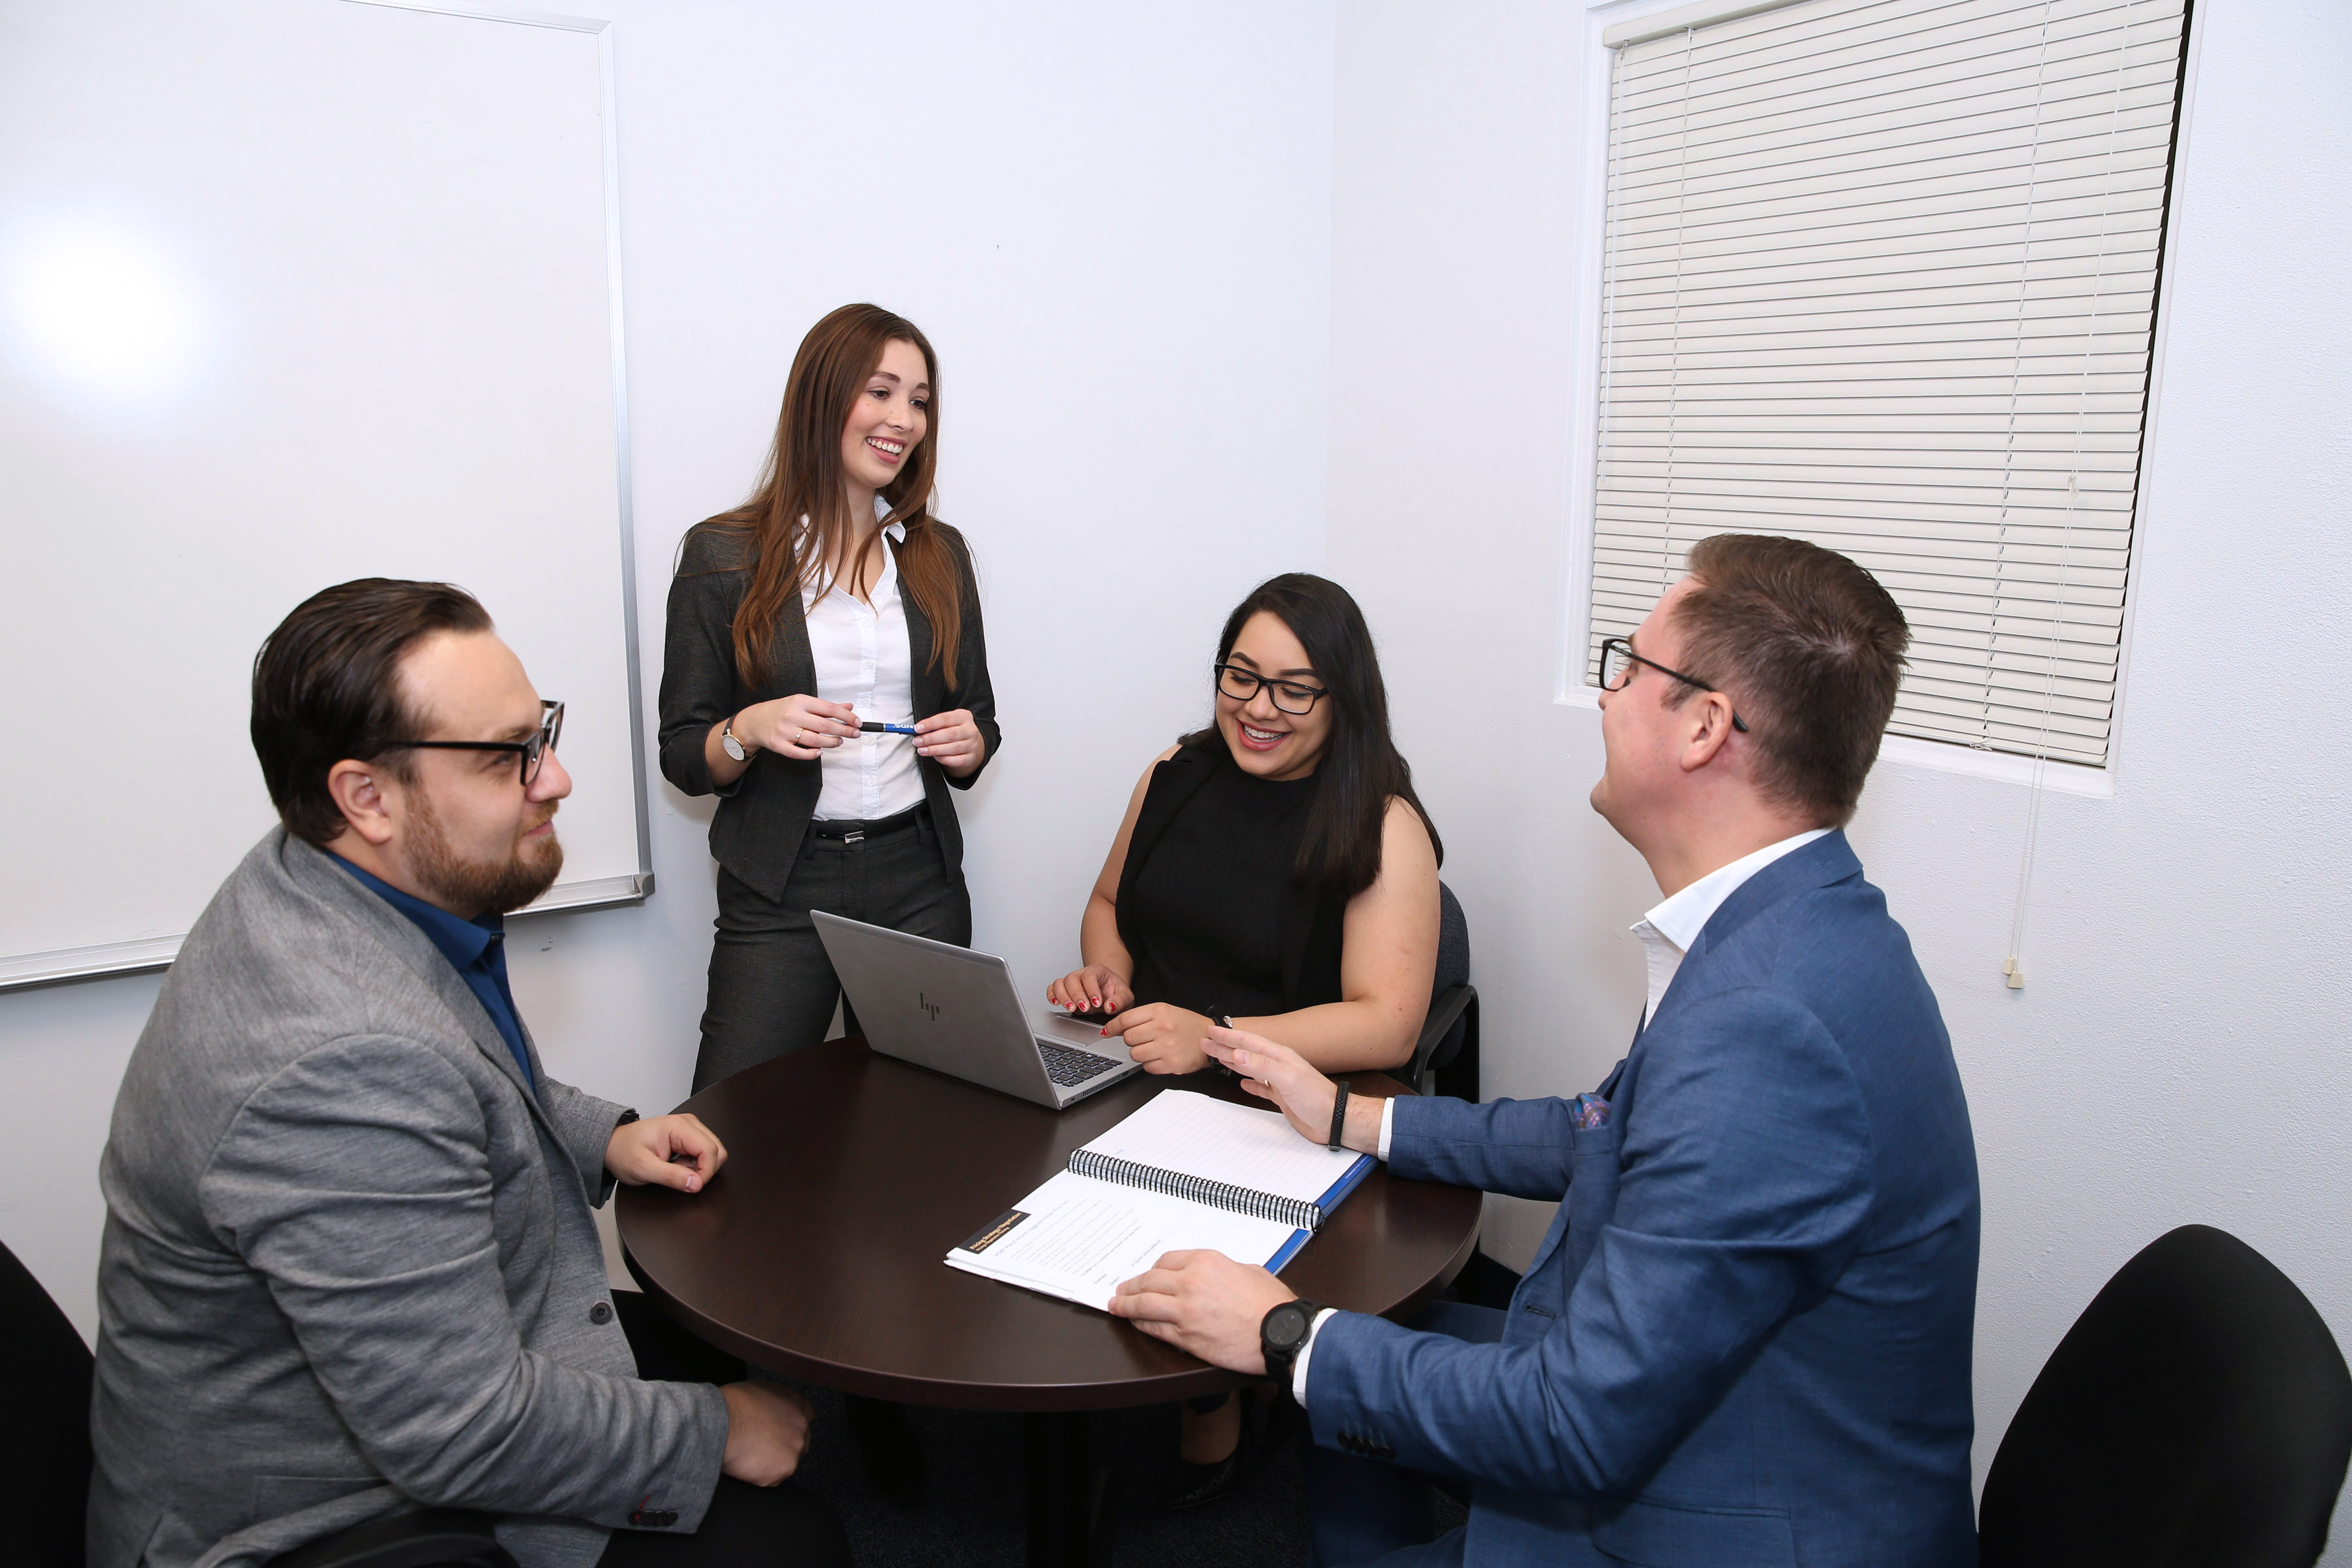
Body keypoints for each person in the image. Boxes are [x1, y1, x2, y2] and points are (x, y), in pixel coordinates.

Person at [1107, 534, 1981, 1566]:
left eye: (1629, 667)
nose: (1607, 698)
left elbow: (1573, 1423)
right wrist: (1350, 1116)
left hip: (1723, 1513)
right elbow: (1600, 1130)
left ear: (1704, 726)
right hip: (1675, 1412)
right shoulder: (1796, 926)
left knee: (1328, 1360)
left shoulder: (1770, 1027)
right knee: (1346, 1395)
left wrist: (1283, 1332)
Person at [88, 579, 847, 1568]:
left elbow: (461, 1079)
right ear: (365, 797)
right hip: (329, 1523)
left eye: (543, 734)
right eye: (506, 758)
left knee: (694, 1349)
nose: (558, 780)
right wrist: (714, 1431)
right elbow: (460, 1430)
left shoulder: (326, 880)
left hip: (416, 1391)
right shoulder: (341, 1061)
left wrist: (605, 1135)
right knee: (792, 1540)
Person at [1046, 571, 1443, 1506]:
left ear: (1342, 698)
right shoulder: (1175, 772)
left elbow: (1388, 1019)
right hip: (1147, 1062)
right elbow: (1108, 905)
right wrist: (1109, 974)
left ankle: (1212, 1423)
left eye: (1293, 689)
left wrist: (1214, 1037)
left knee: (1161, 1233)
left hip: (1278, 1099)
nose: (1259, 709)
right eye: (1241, 677)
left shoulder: (1382, 823)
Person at [660, 301, 998, 1094]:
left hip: (922, 879)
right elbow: (686, 755)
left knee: (930, 1124)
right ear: (822, 397)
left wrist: (971, 743)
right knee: (737, 1121)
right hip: (782, 885)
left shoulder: (939, 556)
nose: (904, 419)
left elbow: (981, 716)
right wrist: (749, 726)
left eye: (919, 400)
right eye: (881, 392)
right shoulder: (724, 555)